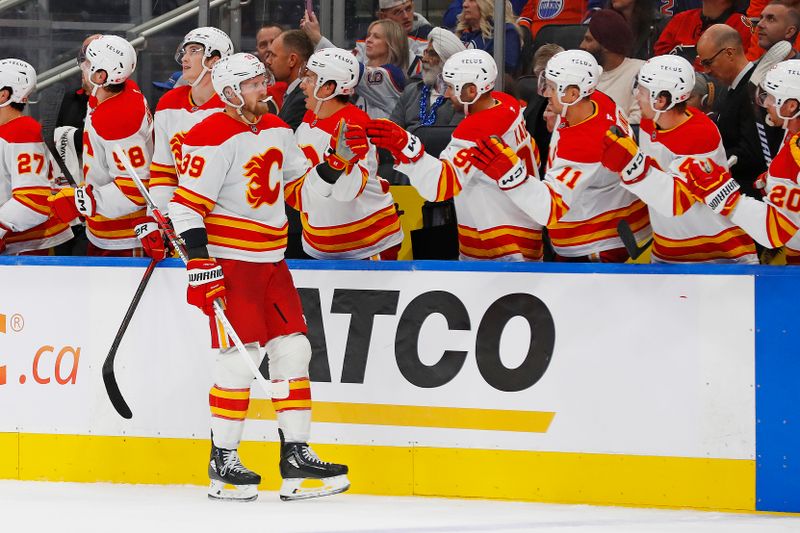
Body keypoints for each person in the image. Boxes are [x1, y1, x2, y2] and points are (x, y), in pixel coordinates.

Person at [168, 52, 353, 502]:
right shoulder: (209, 134)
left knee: (294, 349)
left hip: (272, 262)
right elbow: (185, 204)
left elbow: (296, 189)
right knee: (239, 359)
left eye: (261, 81)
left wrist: (332, 166)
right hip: (231, 262)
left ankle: (295, 455)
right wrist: (199, 260)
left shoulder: (275, 129)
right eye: (252, 85)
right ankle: (223, 460)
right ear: (230, 93)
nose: (263, 90)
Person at [465, 50, 651, 262]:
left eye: (552, 88)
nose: (545, 94)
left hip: (599, 246)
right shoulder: (598, 100)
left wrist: (510, 173)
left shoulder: (586, 145)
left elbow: (549, 208)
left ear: (572, 94)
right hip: (618, 227)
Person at [365, 49, 545, 261]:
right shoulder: (507, 105)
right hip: (527, 235)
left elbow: (441, 186)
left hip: (497, 249)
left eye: (451, 87)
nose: (447, 94)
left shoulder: (477, 131)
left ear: (471, 90)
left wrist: (407, 147)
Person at [599, 55, 758, 263]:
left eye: (643, 91)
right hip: (667, 250)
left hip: (719, 253)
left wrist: (631, 165)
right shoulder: (650, 122)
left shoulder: (699, 136)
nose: (637, 96)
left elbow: (674, 201)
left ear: (661, 100)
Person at [289, 48, 404, 259]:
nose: (303, 85)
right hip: (321, 243)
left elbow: (348, 191)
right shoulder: (310, 117)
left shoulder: (353, 126)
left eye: (311, 78)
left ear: (329, 87)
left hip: (367, 243)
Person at [684, 59, 800, 262]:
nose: (765, 105)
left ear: (791, 105)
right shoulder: (792, 134)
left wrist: (721, 193)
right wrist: (773, 181)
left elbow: (774, 230)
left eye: (771, 97)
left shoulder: (795, 154)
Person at [49, 35, 153, 256]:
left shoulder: (117, 118)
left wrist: (81, 201)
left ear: (101, 75)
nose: (82, 67)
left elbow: (134, 191)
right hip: (106, 228)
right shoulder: (116, 93)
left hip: (124, 236)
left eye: (87, 63)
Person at [148, 27, 233, 226]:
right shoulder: (169, 102)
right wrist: (160, 220)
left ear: (215, 60)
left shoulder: (233, 106)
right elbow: (164, 172)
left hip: (226, 222)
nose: (185, 58)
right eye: (185, 51)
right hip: (181, 216)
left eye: (194, 51)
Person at [0, 58, 72, 255]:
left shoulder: (22, 132)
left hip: (28, 245)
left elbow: (33, 201)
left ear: (3, 95)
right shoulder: (8, 130)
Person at [697, 24, 766, 198]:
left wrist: (707, 162)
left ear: (729, 53)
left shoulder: (753, 91)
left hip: (747, 194)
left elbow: (752, 154)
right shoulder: (730, 88)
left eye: (708, 62)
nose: (706, 70)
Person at [390, 27, 465, 130]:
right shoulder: (411, 91)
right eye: (425, 53)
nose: (424, 59)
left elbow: (453, 135)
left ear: (447, 60)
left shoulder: (462, 97)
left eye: (432, 54)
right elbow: (392, 130)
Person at [579, 8, 644, 125]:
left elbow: (638, 122)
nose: (582, 45)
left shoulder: (640, 71)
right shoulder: (582, 75)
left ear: (606, 45)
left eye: (588, 40)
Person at [653, 0, 751, 67]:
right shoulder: (681, 18)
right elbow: (658, 58)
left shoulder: (741, 25)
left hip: (714, 91)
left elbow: (737, 69)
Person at [355, 19, 409, 119]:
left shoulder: (393, 74)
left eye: (376, 37)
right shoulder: (364, 72)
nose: (368, 40)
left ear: (392, 43)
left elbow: (350, 68)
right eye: (369, 35)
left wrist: (320, 40)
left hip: (383, 134)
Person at [267, 30, 315, 131]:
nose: (268, 61)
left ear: (292, 60)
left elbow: (286, 142)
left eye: (273, 55)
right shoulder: (295, 94)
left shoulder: (302, 99)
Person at [457, 0, 522, 73]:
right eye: (465, 0)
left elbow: (505, 71)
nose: (464, 5)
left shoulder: (505, 31)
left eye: (472, 0)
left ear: (488, 3)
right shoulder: (460, 33)